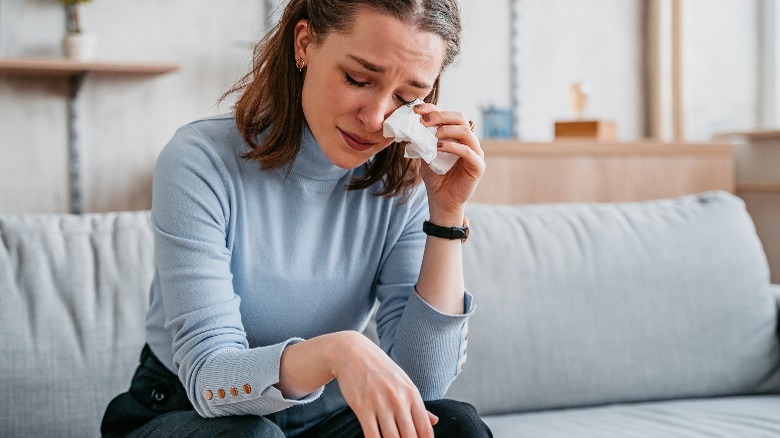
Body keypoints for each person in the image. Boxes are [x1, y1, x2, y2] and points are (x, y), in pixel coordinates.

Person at [101, 0, 491, 436]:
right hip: (191, 414)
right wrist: (337, 352)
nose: (375, 119)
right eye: (357, 79)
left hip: (322, 419)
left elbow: (422, 387)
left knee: (456, 426)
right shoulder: (199, 161)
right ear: (304, 43)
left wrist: (447, 214)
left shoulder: (399, 187)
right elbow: (208, 379)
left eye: (406, 97)